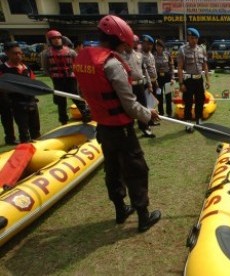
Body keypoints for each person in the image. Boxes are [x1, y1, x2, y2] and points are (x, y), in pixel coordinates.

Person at [73, 15, 161, 232]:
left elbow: (83, 93)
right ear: (117, 40)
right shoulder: (112, 65)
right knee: (136, 170)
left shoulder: (82, 59)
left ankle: (121, 210)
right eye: (123, 45)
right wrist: (148, 114)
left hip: (103, 128)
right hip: (122, 130)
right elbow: (130, 105)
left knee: (112, 169)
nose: (124, 49)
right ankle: (143, 216)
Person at [41, 29, 91, 125]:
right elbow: (46, 67)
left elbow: (78, 64)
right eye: (54, 39)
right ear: (50, 41)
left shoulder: (70, 52)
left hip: (71, 78)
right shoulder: (46, 53)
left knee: (77, 97)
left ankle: (86, 115)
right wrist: (53, 76)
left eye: (58, 38)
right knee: (61, 102)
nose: (57, 40)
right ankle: (63, 120)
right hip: (58, 79)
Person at [0, 42, 41, 143]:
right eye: (15, 53)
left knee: (36, 129)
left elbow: (33, 82)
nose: (18, 56)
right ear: (7, 53)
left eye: (20, 53)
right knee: (24, 131)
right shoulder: (3, 69)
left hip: (31, 102)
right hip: (16, 104)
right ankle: (20, 144)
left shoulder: (26, 68)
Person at [177, 27, 210, 132]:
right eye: (192, 38)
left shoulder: (202, 49)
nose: (194, 40)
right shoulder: (182, 50)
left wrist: (207, 80)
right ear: (188, 38)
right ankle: (188, 122)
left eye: (196, 38)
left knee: (200, 100)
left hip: (199, 79)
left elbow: (205, 65)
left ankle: (198, 119)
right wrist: (181, 83)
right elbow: (180, 67)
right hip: (188, 80)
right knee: (188, 101)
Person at [122, 35, 155, 138]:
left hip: (140, 84)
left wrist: (149, 84)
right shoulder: (121, 56)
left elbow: (145, 71)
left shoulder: (139, 56)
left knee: (143, 106)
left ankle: (145, 128)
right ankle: (129, 129)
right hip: (129, 86)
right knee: (129, 108)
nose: (130, 45)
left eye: (133, 43)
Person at [154, 39, 175, 117]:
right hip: (158, 77)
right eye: (157, 46)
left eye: (160, 46)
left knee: (168, 95)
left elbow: (172, 66)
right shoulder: (153, 55)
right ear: (155, 47)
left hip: (167, 77)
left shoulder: (167, 54)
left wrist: (172, 77)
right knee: (159, 95)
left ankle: (169, 113)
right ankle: (161, 113)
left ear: (162, 47)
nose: (158, 48)